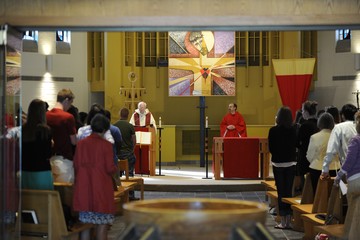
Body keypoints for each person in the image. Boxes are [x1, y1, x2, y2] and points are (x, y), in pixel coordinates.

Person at [73, 114, 117, 240]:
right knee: (102, 227)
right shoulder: (106, 145)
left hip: (84, 190)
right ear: (104, 130)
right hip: (101, 191)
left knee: (86, 227)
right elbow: (110, 168)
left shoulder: (81, 144)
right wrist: (115, 168)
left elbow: (76, 165)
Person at [268, 106, 297, 229]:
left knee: (281, 192)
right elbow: (296, 145)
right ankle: (289, 220)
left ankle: (283, 221)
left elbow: (271, 148)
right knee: (289, 191)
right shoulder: (294, 129)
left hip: (278, 164)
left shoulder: (273, 130)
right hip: (291, 163)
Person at [334, 111, 360, 239]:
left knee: (353, 214)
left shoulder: (356, 140)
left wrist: (340, 174)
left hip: (355, 180)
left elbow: (350, 160)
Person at [46, 89, 77, 183]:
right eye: (70, 103)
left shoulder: (46, 115)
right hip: (64, 160)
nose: (70, 106)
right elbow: (74, 141)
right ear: (66, 100)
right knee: (66, 194)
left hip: (49, 159)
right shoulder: (68, 117)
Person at [22, 99, 53, 190]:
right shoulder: (45, 130)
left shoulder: (24, 129)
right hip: (42, 170)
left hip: (25, 170)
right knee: (43, 200)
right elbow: (48, 153)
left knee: (27, 201)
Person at [321, 103, 358, 178]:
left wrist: (325, 169)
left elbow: (331, 150)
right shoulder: (357, 126)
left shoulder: (339, 127)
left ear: (342, 115)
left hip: (349, 169)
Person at [306, 112, 339, 194]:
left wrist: (315, 161)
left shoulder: (314, 137)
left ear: (319, 123)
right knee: (333, 194)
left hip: (317, 168)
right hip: (334, 168)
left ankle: (318, 206)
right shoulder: (337, 136)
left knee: (318, 193)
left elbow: (310, 155)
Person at [114, 107, 138, 200]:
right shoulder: (130, 126)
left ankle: (120, 195)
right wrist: (131, 150)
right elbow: (134, 140)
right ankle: (131, 195)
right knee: (130, 175)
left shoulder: (115, 125)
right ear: (128, 115)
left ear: (120, 114)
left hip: (118, 155)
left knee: (118, 176)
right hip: (128, 155)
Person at [296, 100, 319, 190]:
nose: (302, 113)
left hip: (305, 156)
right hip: (317, 157)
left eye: (302, 111)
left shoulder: (304, 126)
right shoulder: (319, 124)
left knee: (305, 184)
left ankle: (305, 197)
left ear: (306, 112)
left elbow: (297, 142)